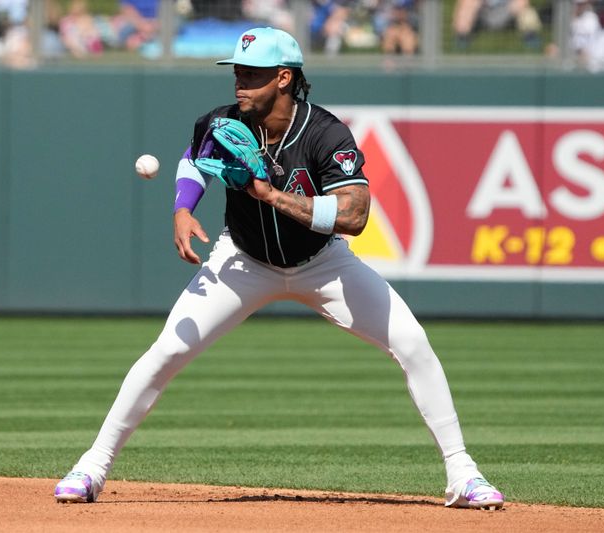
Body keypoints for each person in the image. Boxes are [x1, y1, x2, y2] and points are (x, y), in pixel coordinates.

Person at [54, 26, 505, 511]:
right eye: (237, 71)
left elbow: (355, 215)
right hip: (242, 260)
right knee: (166, 351)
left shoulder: (325, 133)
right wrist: (183, 209)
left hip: (323, 263)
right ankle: (93, 466)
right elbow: (193, 159)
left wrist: (272, 195)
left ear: (284, 78)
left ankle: (462, 472)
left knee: (413, 342)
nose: (240, 82)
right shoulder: (222, 122)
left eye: (253, 73)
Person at [451, 0, 542, 50]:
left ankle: (530, 36)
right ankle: (462, 38)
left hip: (507, 12)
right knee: (468, 2)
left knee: (523, 5)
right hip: (483, 12)